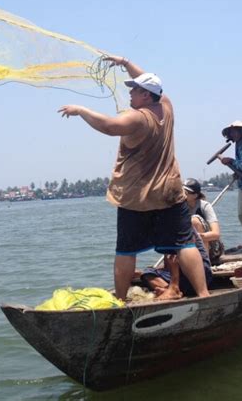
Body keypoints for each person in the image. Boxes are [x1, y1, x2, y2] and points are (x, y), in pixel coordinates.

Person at [58, 55, 209, 301]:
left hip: (138, 197)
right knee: (185, 244)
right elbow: (148, 79)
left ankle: (119, 301)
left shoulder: (138, 117)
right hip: (170, 192)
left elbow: (109, 126)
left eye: (135, 90)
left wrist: (81, 110)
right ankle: (203, 294)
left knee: (126, 251)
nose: (130, 93)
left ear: (146, 96)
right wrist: (125, 63)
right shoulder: (166, 105)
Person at [139, 230, 213, 300]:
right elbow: (169, 261)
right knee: (148, 273)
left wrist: (174, 283)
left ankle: (173, 290)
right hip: (192, 278)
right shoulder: (167, 227)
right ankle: (167, 289)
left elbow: (174, 260)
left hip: (200, 276)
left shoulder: (176, 226)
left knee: (148, 273)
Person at [183, 178, 224, 265]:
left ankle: (204, 264)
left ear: (195, 195)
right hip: (189, 245)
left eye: (185, 192)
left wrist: (196, 237)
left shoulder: (205, 206)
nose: (182, 194)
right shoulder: (181, 207)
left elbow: (216, 234)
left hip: (210, 248)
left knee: (194, 220)